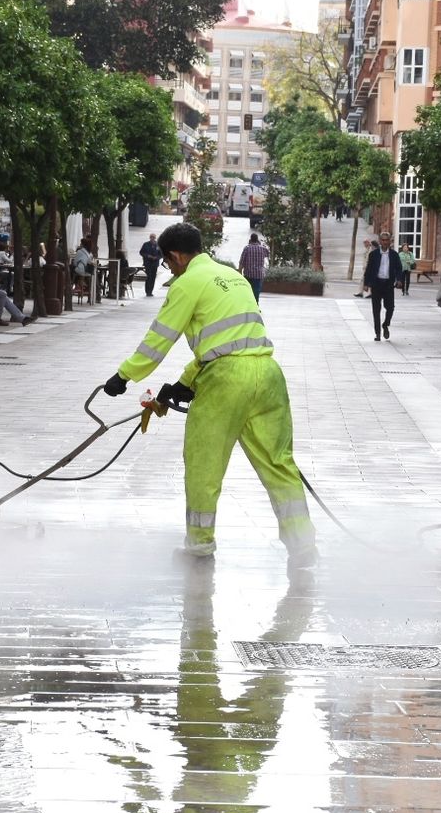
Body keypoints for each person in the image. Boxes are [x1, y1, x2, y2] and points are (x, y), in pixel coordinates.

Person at [101, 222, 316, 570]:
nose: (171, 270)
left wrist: (124, 376)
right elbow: (230, 340)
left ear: (175, 256)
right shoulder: (233, 277)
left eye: (169, 264)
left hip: (227, 382)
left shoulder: (188, 283)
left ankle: (199, 547)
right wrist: (186, 382)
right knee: (279, 464)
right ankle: (303, 545)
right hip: (268, 374)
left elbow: (160, 339)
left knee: (204, 463)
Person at [362, 231, 400, 342]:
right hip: (376, 284)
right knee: (376, 309)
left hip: (388, 285)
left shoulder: (394, 255)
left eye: (386, 240)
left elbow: (398, 269)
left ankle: (385, 324)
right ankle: (377, 333)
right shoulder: (373, 255)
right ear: (380, 241)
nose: (384, 242)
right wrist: (366, 284)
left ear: (390, 241)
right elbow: (369, 270)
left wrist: (399, 280)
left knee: (390, 307)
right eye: (382, 240)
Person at [238, 232, 269, 303]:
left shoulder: (247, 248)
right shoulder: (263, 249)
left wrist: (240, 272)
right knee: (256, 291)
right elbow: (267, 254)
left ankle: (248, 304)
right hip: (259, 274)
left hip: (248, 274)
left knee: (248, 291)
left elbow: (242, 262)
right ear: (257, 239)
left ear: (250, 240)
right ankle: (256, 305)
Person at [139, 232, 162, 297]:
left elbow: (161, 254)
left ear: (155, 238)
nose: (152, 238)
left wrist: (157, 257)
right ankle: (147, 291)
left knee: (153, 277)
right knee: (148, 277)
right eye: (151, 237)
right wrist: (148, 256)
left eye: (154, 237)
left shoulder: (158, 245)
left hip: (155, 263)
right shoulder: (146, 244)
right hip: (148, 263)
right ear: (150, 238)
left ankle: (151, 291)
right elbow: (141, 252)